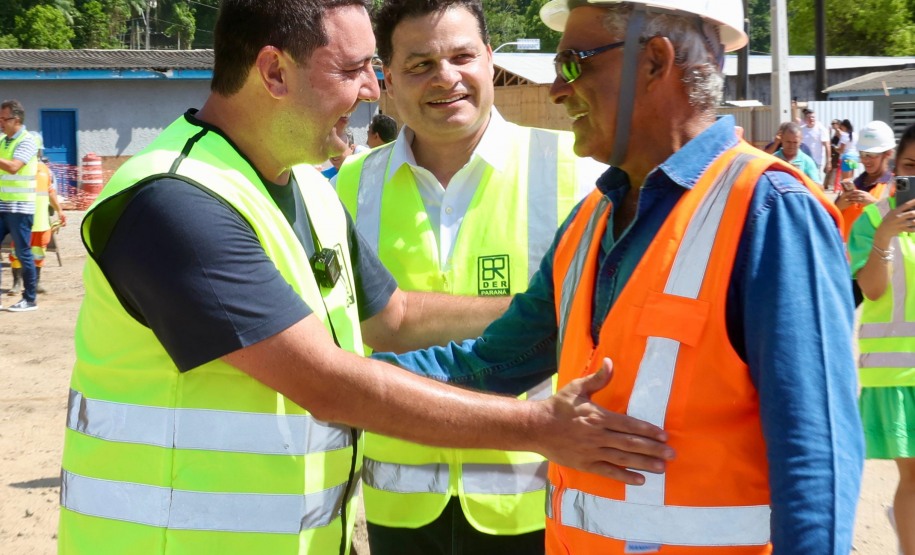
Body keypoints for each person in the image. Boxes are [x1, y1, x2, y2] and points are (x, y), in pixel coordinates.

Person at [57, 1, 673, 554]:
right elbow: (328, 385)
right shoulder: (175, 201)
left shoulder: (305, 189)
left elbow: (394, 316)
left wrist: (564, 300)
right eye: (353, 70)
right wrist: (540, 427)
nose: (374, 91)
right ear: (274, 73)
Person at [374, 0, 864, 553]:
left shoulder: (770, 212)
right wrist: (330, 377)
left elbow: (815, 460)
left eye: (575, 64)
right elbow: (487, 365)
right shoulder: (591, 221)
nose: (558, 90)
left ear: (655, 62)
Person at [335, 1, 606, 552]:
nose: (447, 78)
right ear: (386, 79)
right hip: (400, 506)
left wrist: (406, 319)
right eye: (420, 65)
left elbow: (601, 316)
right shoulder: (348, 186)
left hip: (538, 503)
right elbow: (344, 328)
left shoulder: (578, 174)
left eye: (462, 56)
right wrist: (536, 313)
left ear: (489, 59)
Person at [848, 123, 915, 555]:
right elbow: (871, 290)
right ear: (895, 167)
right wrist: (886, 234)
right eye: (912, 166)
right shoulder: (872, 219)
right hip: (895, 372)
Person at [0, 99, 39, 312]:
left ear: (16, 120)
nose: (0, 123)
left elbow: (14, 167)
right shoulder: (2, 141)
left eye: (3, 119)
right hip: (2, 206)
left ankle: (30, 299)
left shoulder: (27, 141)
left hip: (20, 208)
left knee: (23, 253)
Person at [9, 153, 67, 295]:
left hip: (41, 221)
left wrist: (60, 210)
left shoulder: (45, 170)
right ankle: (16, 283)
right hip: (22, 219)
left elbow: (51, 192)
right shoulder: (15, 169)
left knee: (39, 253)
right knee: (17, 252)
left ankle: (36, 283)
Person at [836, 120, 896, 242]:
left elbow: (902, 229)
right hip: (849, 260)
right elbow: (829, 221)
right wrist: (838, 206)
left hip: (880, 259)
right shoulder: (852, 184)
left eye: (872, 154)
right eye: (863, 154)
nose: (866, 160)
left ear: (888, 154)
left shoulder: (896, 187)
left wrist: (875, 205)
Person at [801, 107, 832, 181]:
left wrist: (828, 161)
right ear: (805, 119)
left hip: (816, 161)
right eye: (809, 117)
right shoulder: (801, 129)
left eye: (813, 117)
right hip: (804, 160)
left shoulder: (821, 129)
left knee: (815, 181)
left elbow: (827, 146)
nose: (811, 119)